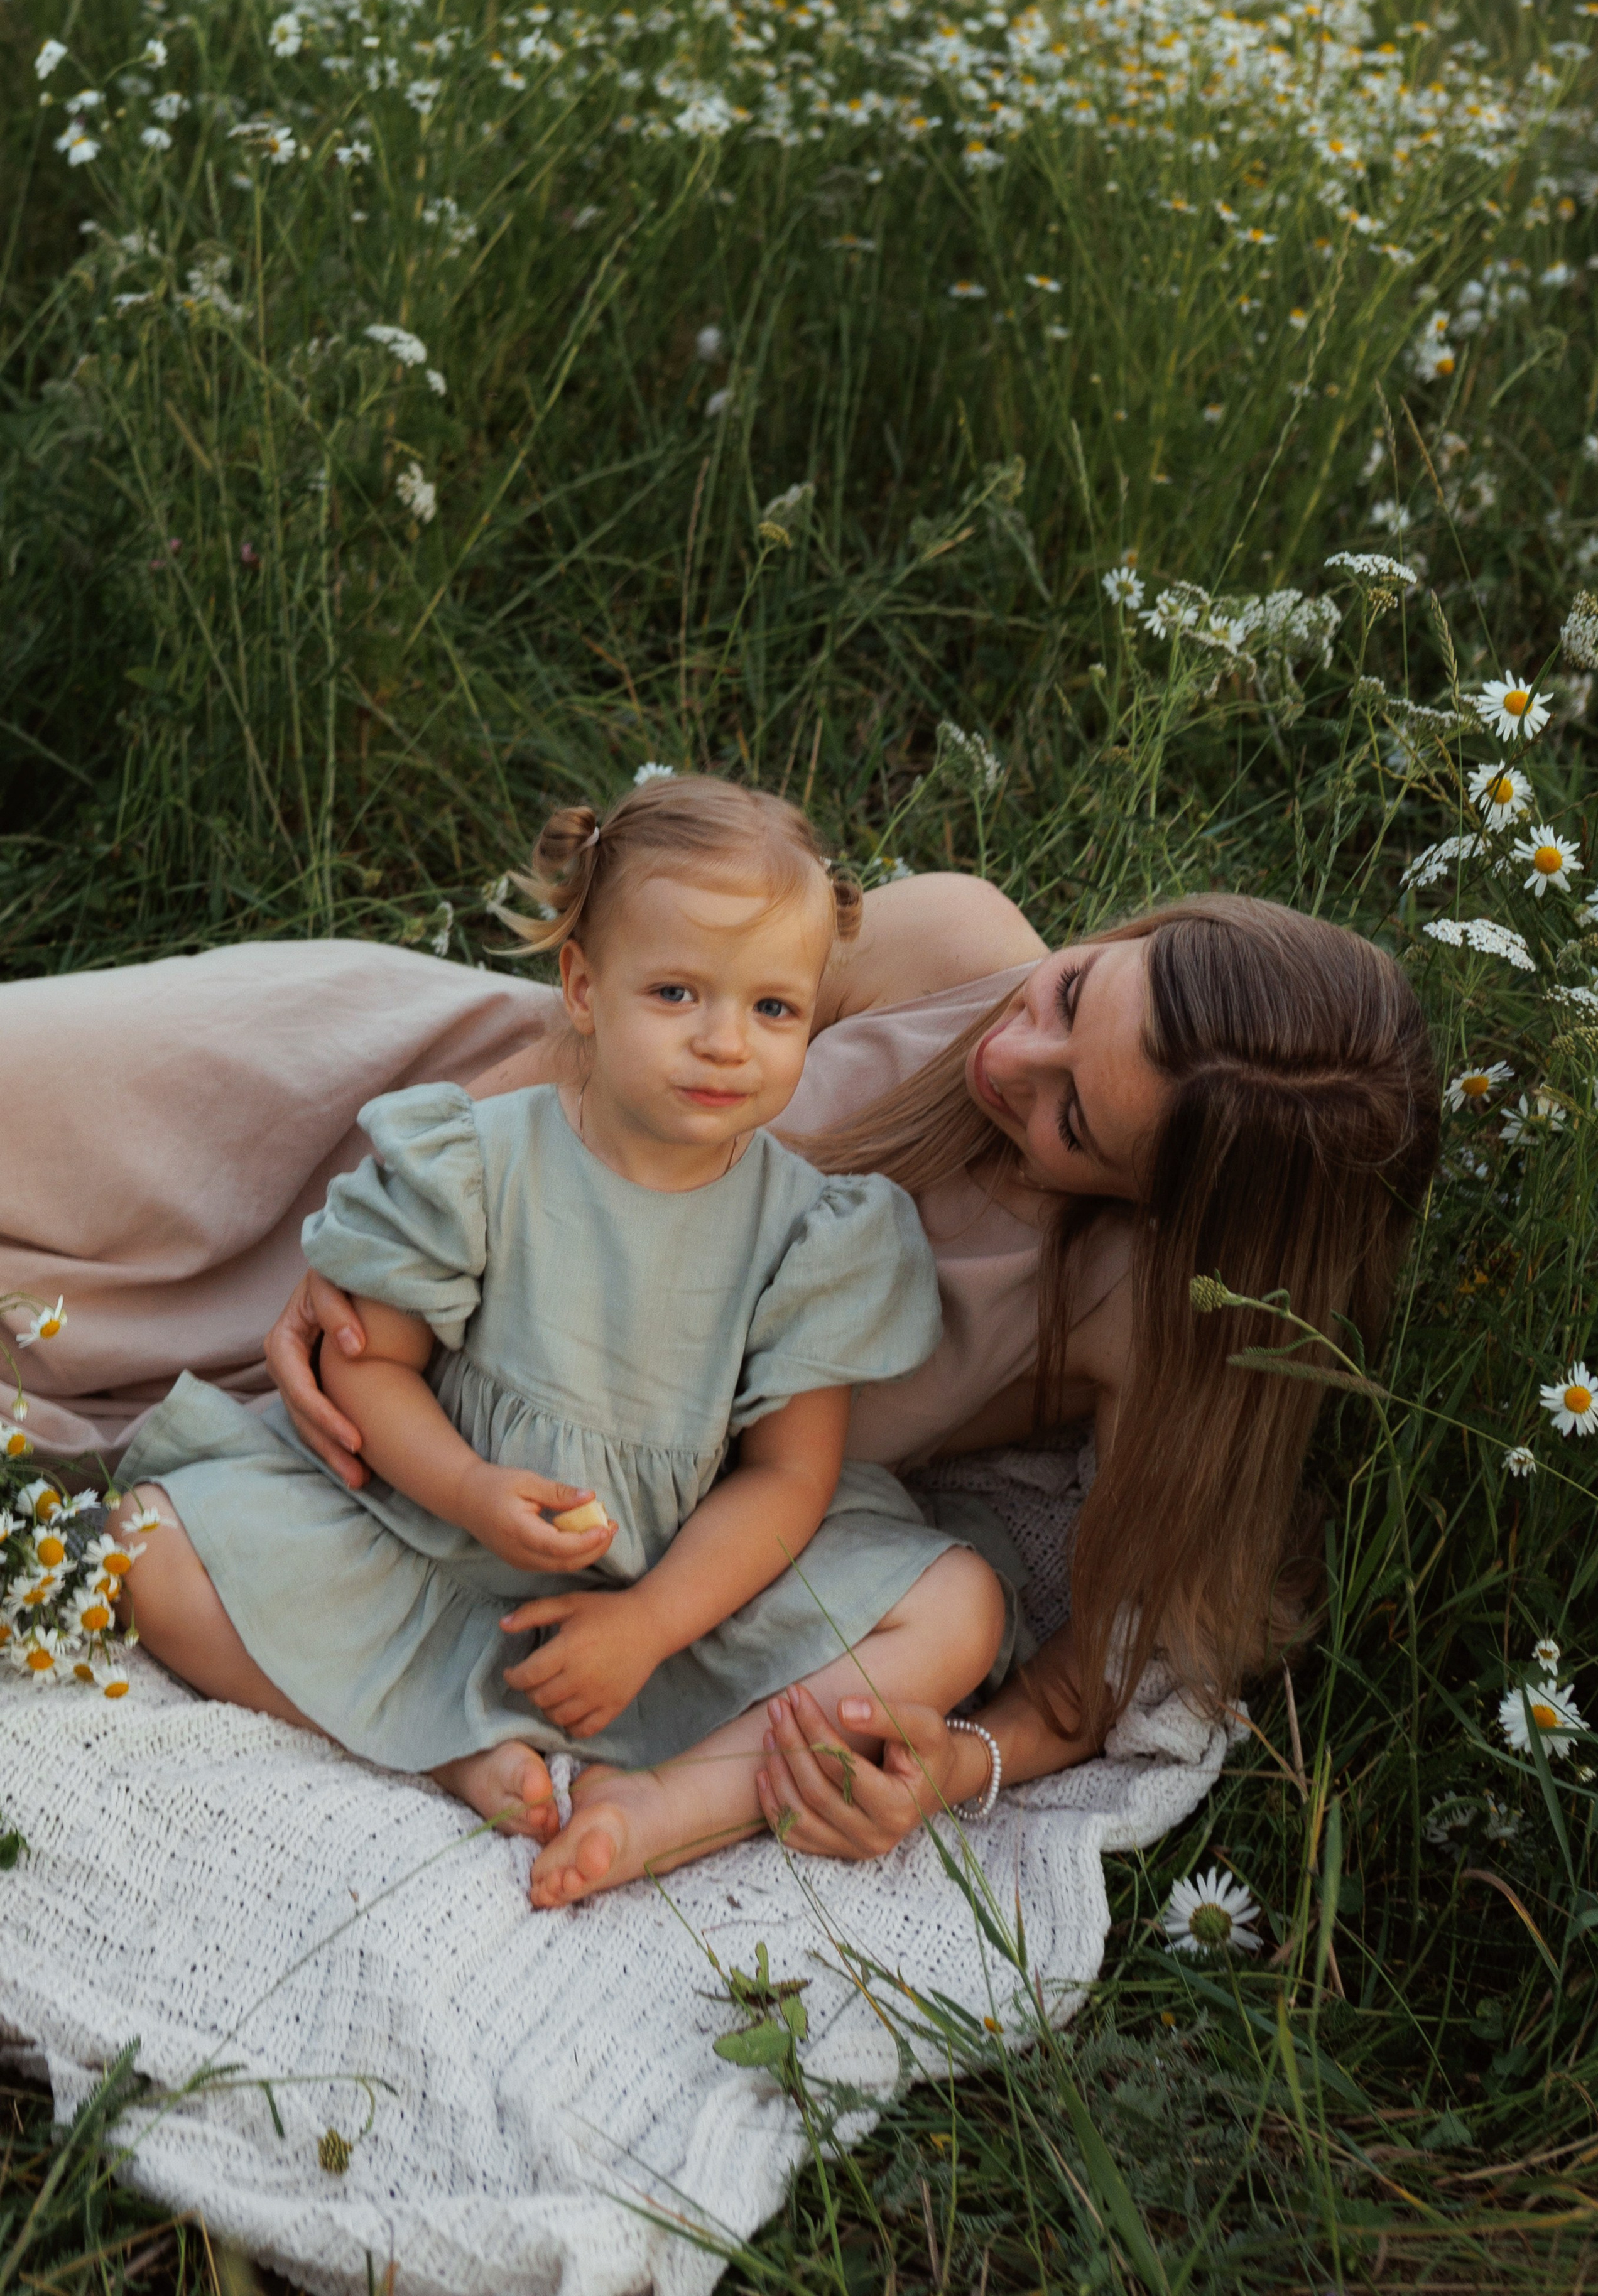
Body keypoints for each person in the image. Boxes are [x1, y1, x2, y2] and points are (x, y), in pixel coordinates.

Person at [3, 849, 1437, 1879]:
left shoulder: (1135, 1311)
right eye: (1069, 996)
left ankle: (615, 1793)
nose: (1014, 1063)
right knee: (56, 1085)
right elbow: (612, 1018)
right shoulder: (953, 939)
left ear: (1153, 1205)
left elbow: (1100, 1667)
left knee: (137, 1531)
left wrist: (959, 1767)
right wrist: (376, 1220)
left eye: (1072, 1123)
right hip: (468, 1148)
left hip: (603, 1518)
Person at [103, 779, 1008, 1903]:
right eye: (676, 992)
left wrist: (646, 1625)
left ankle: (673, 1798)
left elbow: (788, 1479)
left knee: (960, 1606)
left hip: (678, 1592)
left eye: (774, 1010)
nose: (726, 1043)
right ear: (583, 986)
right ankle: (454, 1755)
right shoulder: (477, 1158)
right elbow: (366, 1365)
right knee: (145, 1545)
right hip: (427, 1542)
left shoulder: (814, 1231)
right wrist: (472, 1487)